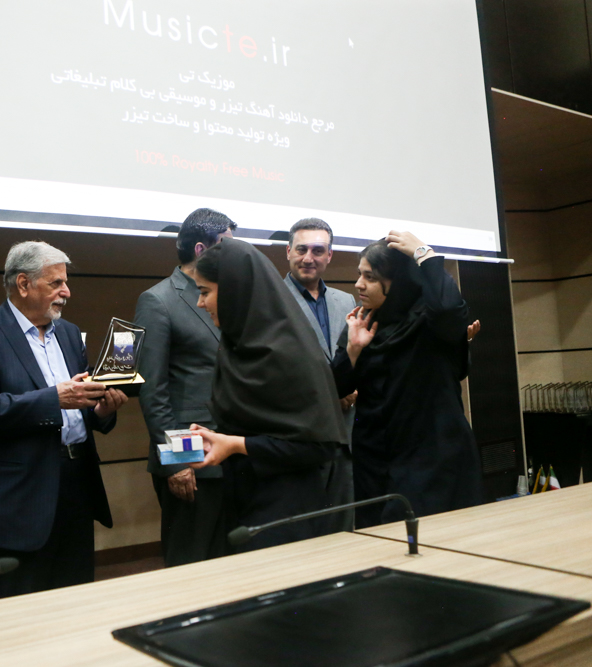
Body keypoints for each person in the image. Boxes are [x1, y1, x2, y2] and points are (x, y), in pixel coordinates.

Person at [0, 241, 129, 598]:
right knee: (24, 601)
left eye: (65, 282)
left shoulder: (68, 332)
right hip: (24, 492)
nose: (67, 292)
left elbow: (80, 404)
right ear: (24, 284)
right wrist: (55, 398)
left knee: (76, 594)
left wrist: (102, 410)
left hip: (77, 481)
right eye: (56, 283)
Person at [188, 239, 349, 551]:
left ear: (235, 291)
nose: (200, 303)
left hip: (287, 513)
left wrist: (235, 444)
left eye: (205, 292)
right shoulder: (237, 345)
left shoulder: (291, 353)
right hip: (242, 498)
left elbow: (319, 446)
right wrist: (218, 438)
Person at [332, 232, 483, 527]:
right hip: (375, 460)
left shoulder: (429, 321)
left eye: (370, 277)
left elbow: (449, 309)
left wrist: (425, 255)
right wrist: (352, 351)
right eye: (360, 274)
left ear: (397, 280)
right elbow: (336, 388)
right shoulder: (364, 321)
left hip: (431, 458)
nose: (359, 284)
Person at [134, 208, 235, 567]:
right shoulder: (158, 300)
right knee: (190, 563)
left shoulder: (229, 295)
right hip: (190, 459)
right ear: (201, 250)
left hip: (231, 454)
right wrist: (177, 463)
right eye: (227, 245)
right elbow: (153, 389)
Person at [283, 218, 358, 532]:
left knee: (345, 530)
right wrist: (329, 397)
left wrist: (354, 389)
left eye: (317, 250)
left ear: (330, 255)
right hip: (302, 437)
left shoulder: (347, 301)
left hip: (345, 434)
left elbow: (354, 357)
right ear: (288, 251)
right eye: (301, 249)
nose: (308, 258)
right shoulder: (272, 300)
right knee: (306, 534)